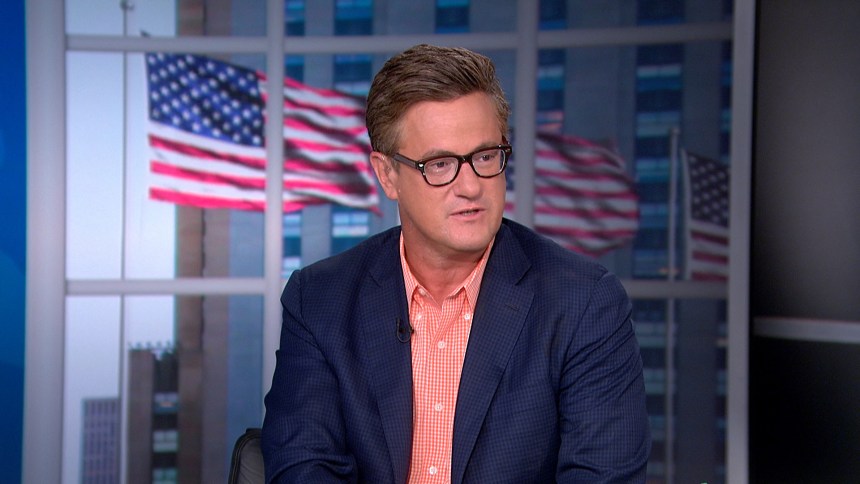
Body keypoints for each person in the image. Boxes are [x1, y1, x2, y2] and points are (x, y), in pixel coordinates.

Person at [261, 44, 650, 483]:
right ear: (387, 175)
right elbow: (302, 468)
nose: (471, 186)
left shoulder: (583, 303)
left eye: (485, 157)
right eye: (440, 164)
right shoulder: (320, 300)